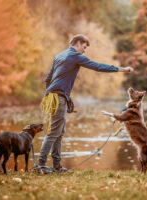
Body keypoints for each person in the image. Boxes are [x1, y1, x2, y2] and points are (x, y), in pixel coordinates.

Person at [38, 34, 134, 172]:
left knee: (59, 132)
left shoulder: (59, 56)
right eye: (84, 46)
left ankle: (57, 165)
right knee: (54, 132)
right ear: (77, 43)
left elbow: (48, 79)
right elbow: (97, 66)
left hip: (54, 96)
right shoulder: (75, 56)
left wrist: (50, 94)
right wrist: (121, 69)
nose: (84, 50)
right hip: (58, 97)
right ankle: (41, 165)